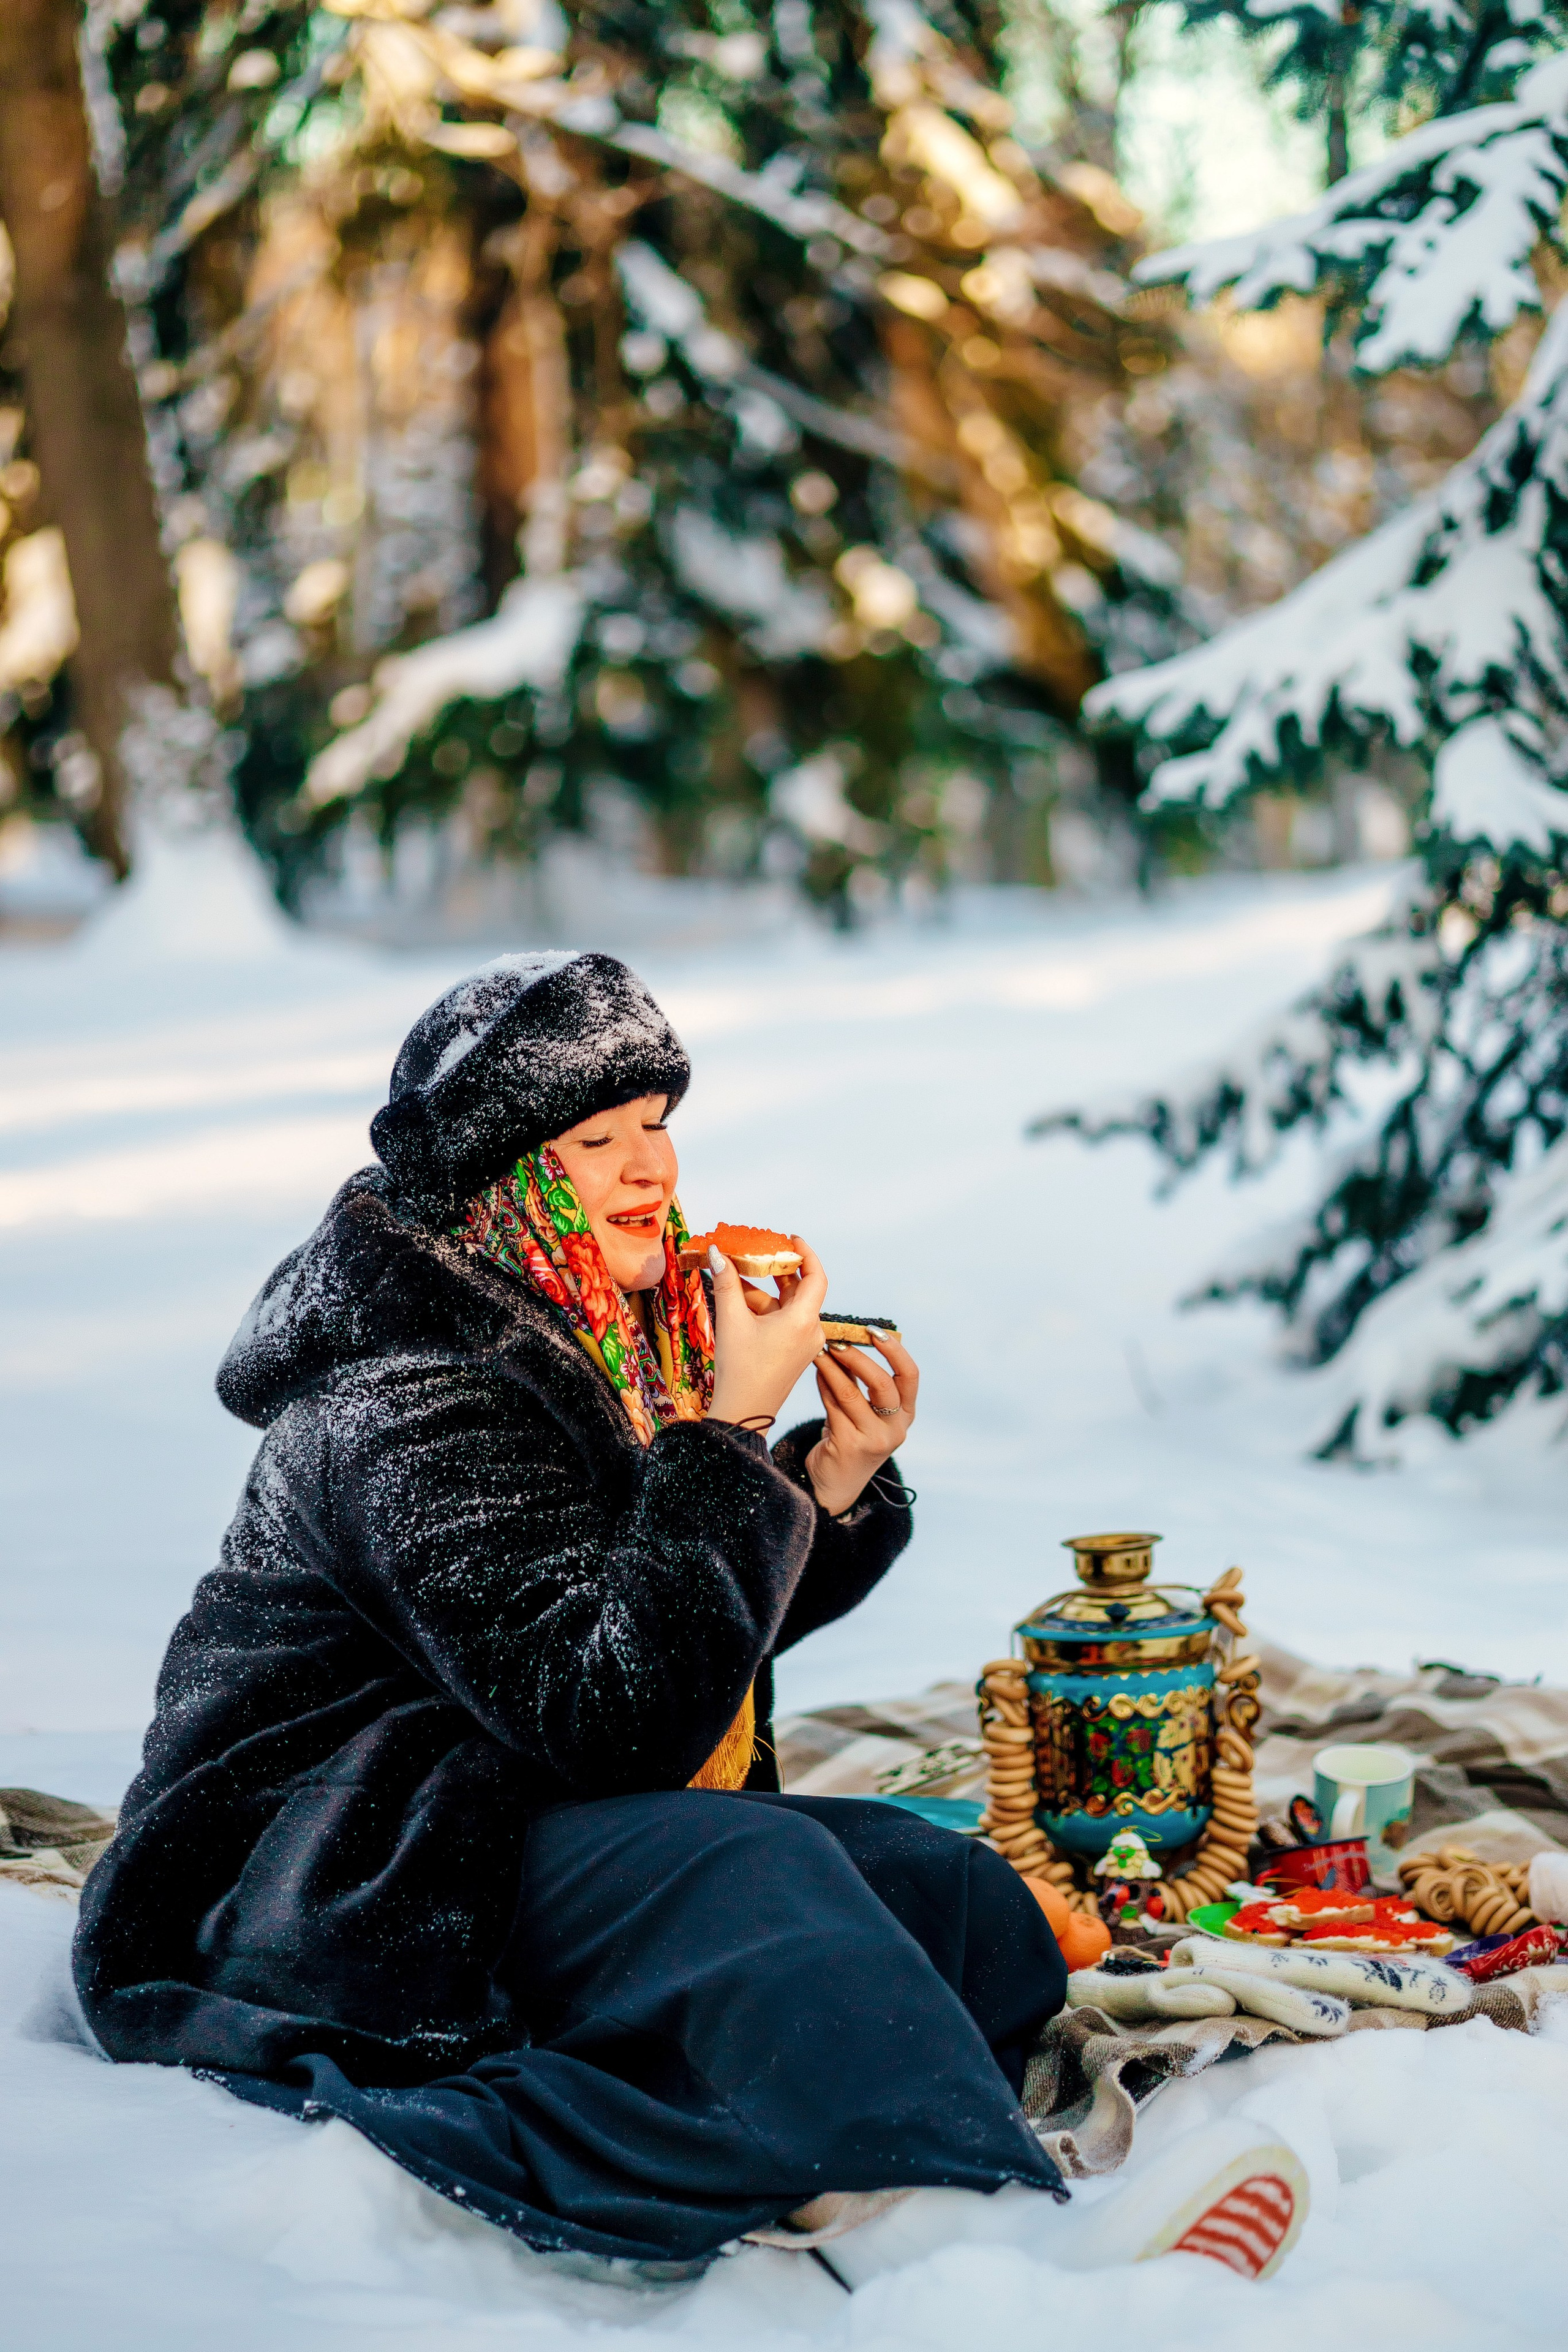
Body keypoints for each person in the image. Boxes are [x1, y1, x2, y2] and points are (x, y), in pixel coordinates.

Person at [73, 951, 1072, 2276]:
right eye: (596, 1142)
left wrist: (823, 1484)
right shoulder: (406, 1399)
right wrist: (725, 1432)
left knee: (954, 1899)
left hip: (506, 1800)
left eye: (656, 1127)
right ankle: (958, 2231)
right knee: (756, 1876)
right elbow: (617, 1722)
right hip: (344, 1866)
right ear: (505, 1187)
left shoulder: (600, 1331)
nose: (651, 1170)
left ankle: (789, 2127)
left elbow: (676, 1630)